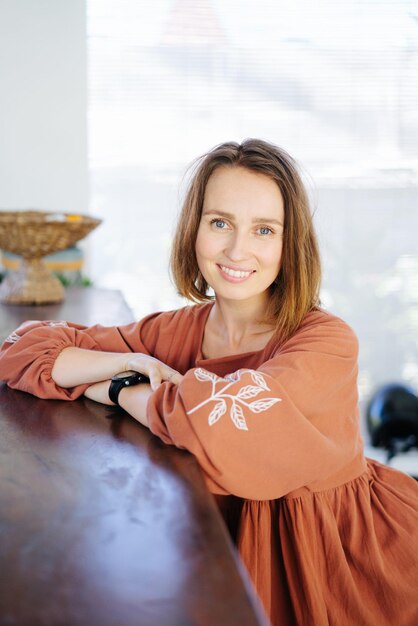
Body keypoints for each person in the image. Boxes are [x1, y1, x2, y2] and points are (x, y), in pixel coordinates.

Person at [0, 139, 417, 626]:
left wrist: (118, 387)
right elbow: (22, 352)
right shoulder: (176, 331)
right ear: (194, 229)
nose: (237, 250)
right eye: (220, 223)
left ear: (290, 242)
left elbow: (222, 432)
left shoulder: (327, 341)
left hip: (340, 561)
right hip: (221, 554)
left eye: (264, 229)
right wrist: (128, 362)